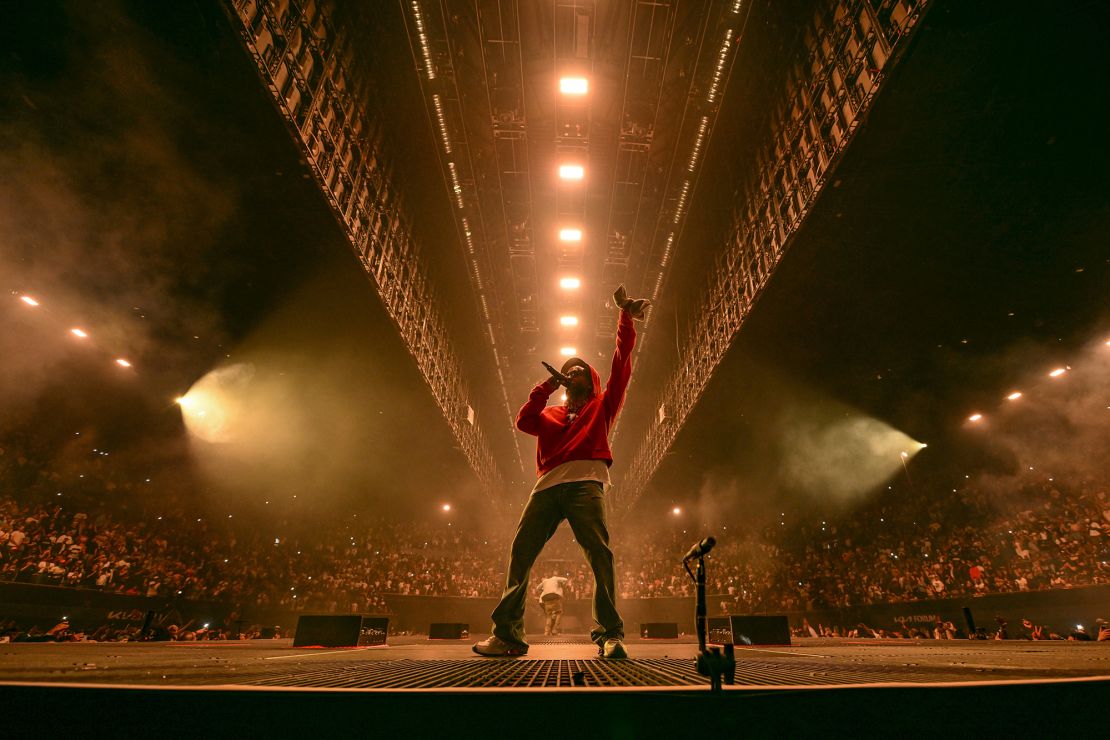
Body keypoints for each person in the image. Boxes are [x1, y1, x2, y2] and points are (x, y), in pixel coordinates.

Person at [474, 285, 650, 659]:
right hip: (546, 487)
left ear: (591, 379)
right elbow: (523, 421)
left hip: (587, 483)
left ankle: (610, 634)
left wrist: (624, 317)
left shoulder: (603, 406)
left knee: (600, 556)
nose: (573, 372)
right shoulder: (551, 414)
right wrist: (546, 386)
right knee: (521, 553)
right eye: (567, 370)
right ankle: (508, 635)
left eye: (579, 370)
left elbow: (622, 361)